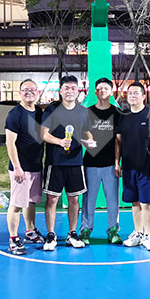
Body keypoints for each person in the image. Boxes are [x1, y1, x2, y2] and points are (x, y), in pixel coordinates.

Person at [40, 75, 96, 251]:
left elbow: (86, 132)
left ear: (78, 91)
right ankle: (51, 235)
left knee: (74, 199)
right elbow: (43, 134)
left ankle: (72, 233)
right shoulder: (52, 109)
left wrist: (89, 140)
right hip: (55, 162)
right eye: (66, 88)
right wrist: (59, 142)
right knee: (52, 199)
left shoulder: (83, 112)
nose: (70, 91)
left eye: (73, 88)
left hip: (75, 162)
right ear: (61, 91)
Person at [115, 81, 150, 251]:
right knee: (134, 202)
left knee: (147, 203)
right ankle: (138, 233)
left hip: (146, 167)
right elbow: (118, 142)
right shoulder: (123, 116)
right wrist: (117, 162)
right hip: (128, 167)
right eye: (130, 93)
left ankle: (148, 235)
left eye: (136, 93)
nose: (132, 96)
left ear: (143, 96)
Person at [4, 79, 46, 256]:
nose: (29, 92)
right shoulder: (15, 114)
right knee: (16, 204)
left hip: (36, 166)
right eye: (25, 90)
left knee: (30, 201)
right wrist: (17, 167)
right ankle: (13, 239)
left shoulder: (39, 112)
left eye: (33, 89)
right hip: (21, 169)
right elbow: (10, 143)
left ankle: (30, 232)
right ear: (20, 93)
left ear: (38, 93)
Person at [80, 78, 122, 245]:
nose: (103, 90)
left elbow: (118, 140)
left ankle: (113, 230)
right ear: (95, 92)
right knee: (88, 199)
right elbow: (82, 134)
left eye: (106, 88)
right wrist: (87, 141)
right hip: (90, 163)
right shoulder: (87, 112)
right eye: (99, 88)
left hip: (110, 164)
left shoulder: (117, 113)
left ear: (111, 92)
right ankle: (85, 229)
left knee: (112, 200)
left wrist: (117, 162)